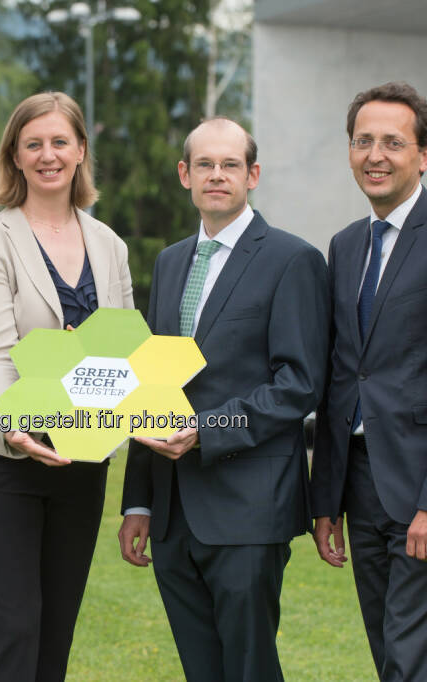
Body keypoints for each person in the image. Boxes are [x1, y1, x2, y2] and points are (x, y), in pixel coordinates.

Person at [118, 117, 329, 681]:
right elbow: (152, 385)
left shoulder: (292, 259)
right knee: (200, 669)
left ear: (252, 175)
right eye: (205, 164)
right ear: (185, 175)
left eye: (230, 164)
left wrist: (207, 431)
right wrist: (138, 502)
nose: (217, 175)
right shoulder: (169, 262)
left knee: (249, 668)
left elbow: (300, 381)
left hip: (249, 507)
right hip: (171, 512)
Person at [310, 82, 427, 681]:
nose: (376, 155)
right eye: (363, 141)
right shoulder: (345, 246)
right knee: (393, 657)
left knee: (414, 665)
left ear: (426, 154)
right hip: (362, 486)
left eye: (393, 142)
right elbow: (343, 375)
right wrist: (326, 500)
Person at [0, 91, 133, 681]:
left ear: (79, 151)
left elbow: (122, 354)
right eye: (33, 145)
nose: (47, 155)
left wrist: (144, 413)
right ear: (15, 157)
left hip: (79, 459)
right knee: (12, 633)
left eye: (59, 142)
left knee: (53, 641)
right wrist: (17, 423)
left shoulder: (109, 245)